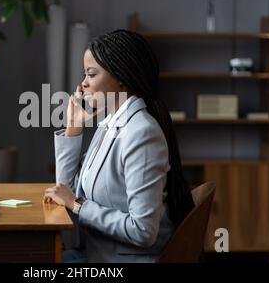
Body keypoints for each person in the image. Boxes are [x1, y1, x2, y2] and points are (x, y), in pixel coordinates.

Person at [43, 29, 194, 263]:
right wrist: (74, 126)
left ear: (121, 77)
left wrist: (78, 205)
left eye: (91, 74)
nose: (83, 83)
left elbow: (143, 231)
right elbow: (67, 190)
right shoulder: (109, 124)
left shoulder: (141, 133)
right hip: (95, 254)